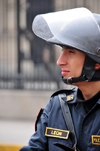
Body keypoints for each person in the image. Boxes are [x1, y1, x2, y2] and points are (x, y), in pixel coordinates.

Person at [19, 7, 100, 151]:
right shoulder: (57, 106)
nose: (59, 61)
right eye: (62, 51)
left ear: (96, 62)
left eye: (71, 52)